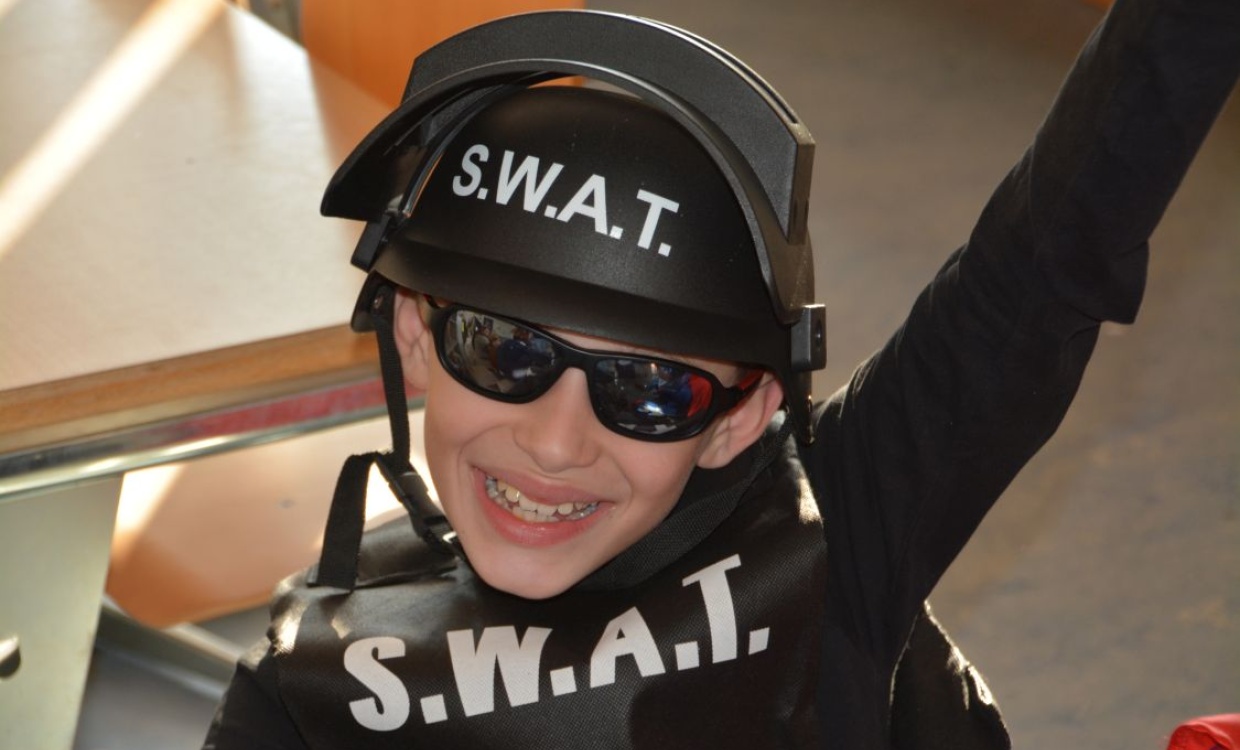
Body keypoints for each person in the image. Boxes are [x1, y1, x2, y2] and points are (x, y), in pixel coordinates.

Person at [203, 0, 1239, 747]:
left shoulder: (833, 535)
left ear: (741, 420)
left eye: (651, 393)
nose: (556, 443)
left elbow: (1041, 268)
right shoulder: (314, 681)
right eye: (505, 353)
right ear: (413, 335)